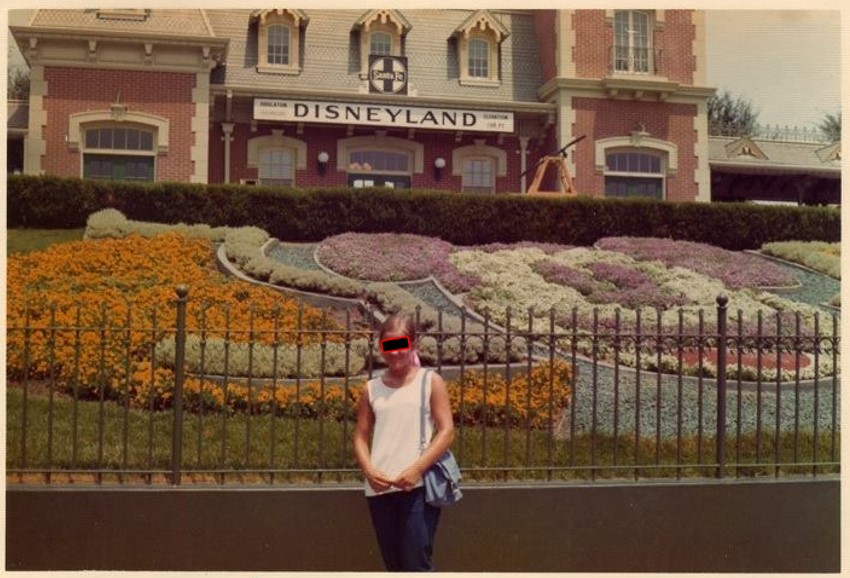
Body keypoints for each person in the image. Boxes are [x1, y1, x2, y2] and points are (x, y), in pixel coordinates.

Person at [353, 313, 456, 572]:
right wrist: (369, 472)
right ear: (381, 347)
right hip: (379, 489)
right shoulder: (371, 388)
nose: (395, 352)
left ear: (413, 345)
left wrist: (416, 469)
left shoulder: (430, 381)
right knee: (394, 566)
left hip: (416, 488)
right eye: (389, 345)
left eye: (401, 345)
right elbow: (360, 437)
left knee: (416, 565)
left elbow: (447, 431)